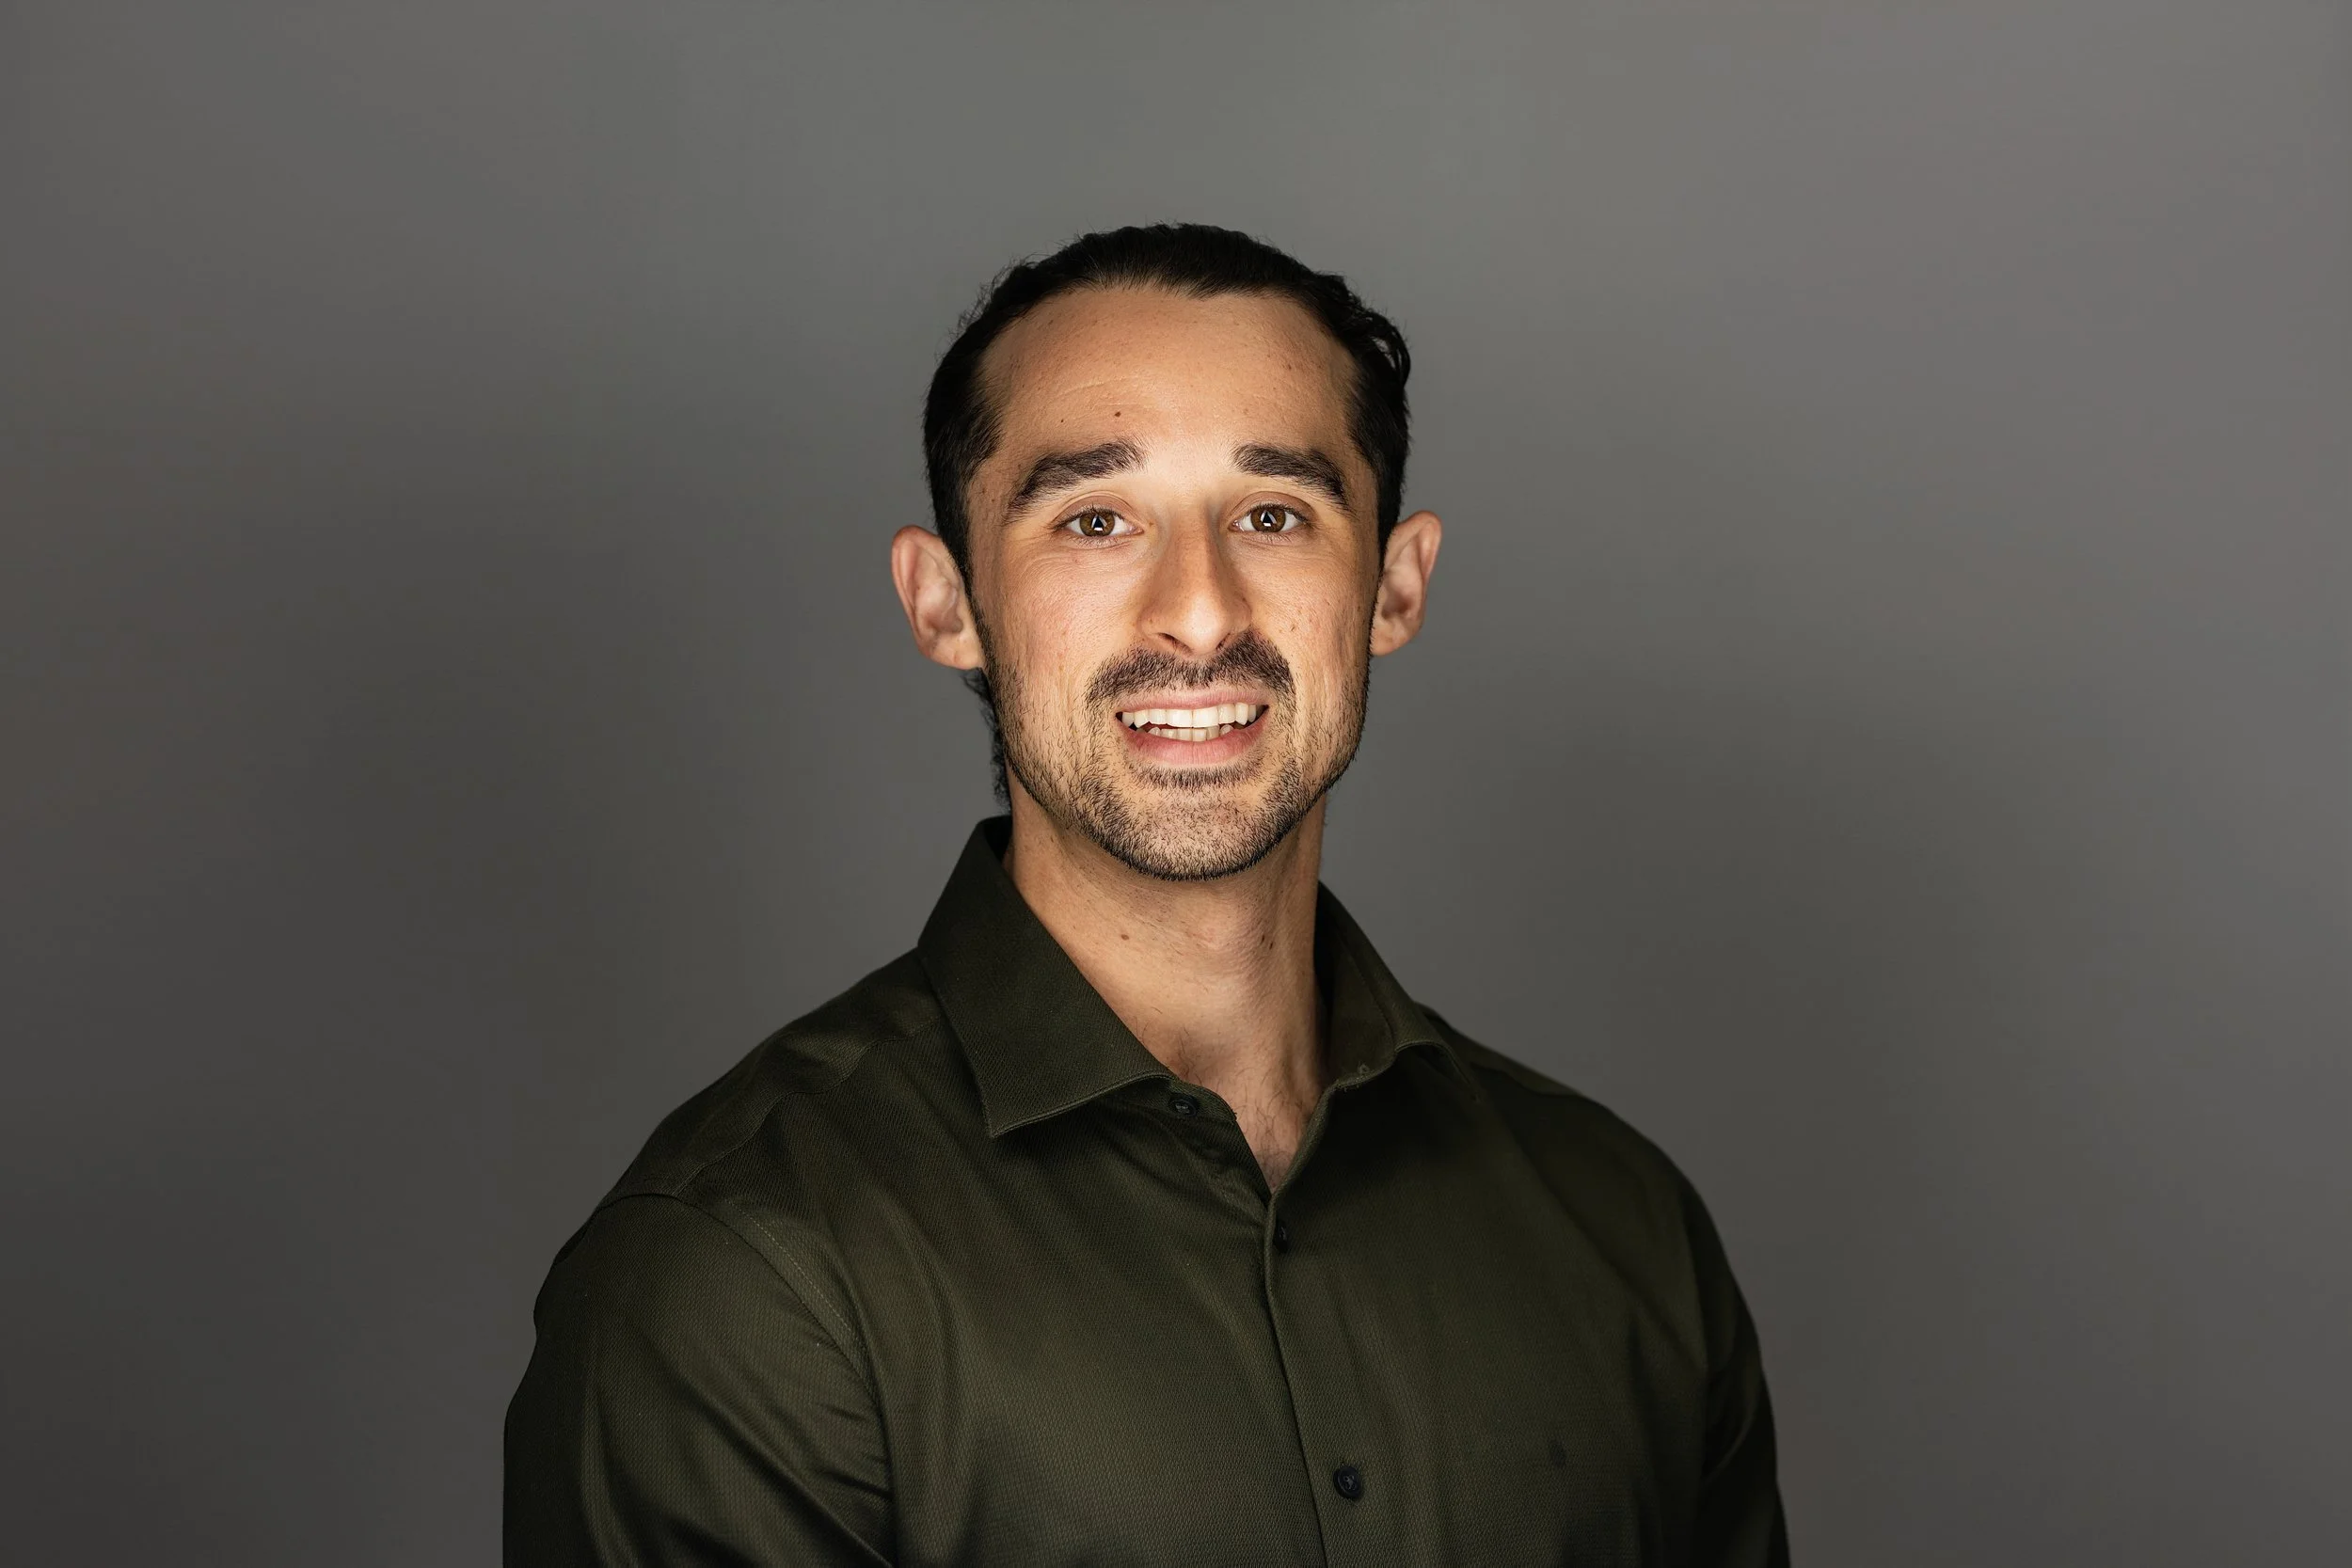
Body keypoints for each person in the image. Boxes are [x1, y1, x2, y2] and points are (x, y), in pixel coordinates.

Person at [504, 222, 1788, 1566]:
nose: (1196, 609)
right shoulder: (739, 1278)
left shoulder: (1623, 1228)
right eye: (1096, 519)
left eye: (1275, 514)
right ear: (947, 604)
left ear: (1393, 586)